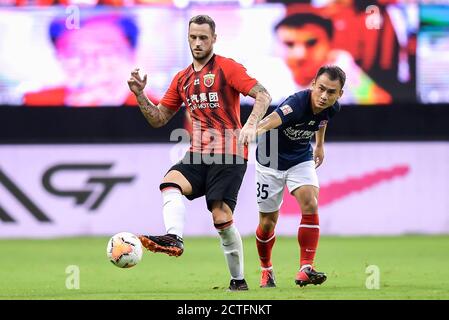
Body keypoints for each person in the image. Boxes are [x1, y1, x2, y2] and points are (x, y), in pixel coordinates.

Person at [127, 15, 271, 291]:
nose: (197, 42)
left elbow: (263, 94)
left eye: (203, 37)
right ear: (187, 38)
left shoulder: (228, 68)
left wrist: (251, 124)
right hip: (198, 154)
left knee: (220, 217)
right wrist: (140, 95)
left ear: (214, 39)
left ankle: (238, 281)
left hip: (229, 153)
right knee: (170, 183)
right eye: (193, 37)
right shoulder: (181, 78)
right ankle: (174, 238)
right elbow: (159, 119)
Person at [254, 65, 344, 288]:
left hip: (299, 158)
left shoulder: (331, 108)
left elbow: (322, 121)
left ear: (339, 94)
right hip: (270, 161)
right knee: (267, 224)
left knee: (310, 202)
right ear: (313, 84)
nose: (324, 96)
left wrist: (320, 145)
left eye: (331, 92)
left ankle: (306, 267)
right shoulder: (296, 103)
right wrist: (253, 130)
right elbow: (272, 119)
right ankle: (266, 269)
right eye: (321, 88)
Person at [24, 13, 158, 107]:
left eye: (105, 51)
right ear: (59, 56)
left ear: (132, 54)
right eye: (74, 53)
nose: (90, 64)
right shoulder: (33, 103)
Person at [275, 11, 391, 105]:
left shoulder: (342, 66)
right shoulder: (267, 75)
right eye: (289, 44)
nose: (300, 54)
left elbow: (384, 103)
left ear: (330, 45)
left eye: (311, 43)